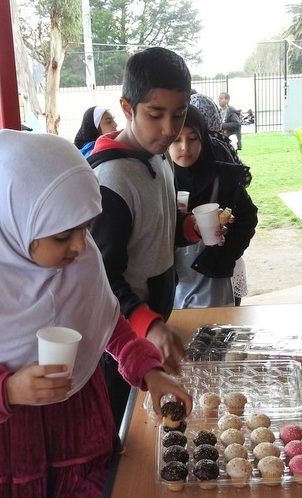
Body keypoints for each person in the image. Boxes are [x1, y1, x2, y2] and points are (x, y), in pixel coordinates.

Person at [0, 130, 192, 498]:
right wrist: (5, 390)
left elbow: (105, 321)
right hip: (12, 452)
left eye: (85, 228)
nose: (81, 246)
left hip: (85, 433)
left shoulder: (80, 255)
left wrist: (150, 371)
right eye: (63, 236)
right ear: (15, 219)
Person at [87, 47, 204, 428]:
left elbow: (158, 229)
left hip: (157, 323)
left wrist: (191, 229)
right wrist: (147, 325)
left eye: (179, 113)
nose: (169, 128)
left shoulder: (159, 156)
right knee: (129, 434)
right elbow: (101, 279)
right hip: (125, 339)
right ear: (127, 106)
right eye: (156, 114)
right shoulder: (111, 180)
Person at [170, 105, 258, 309]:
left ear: (203, 138)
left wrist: (227, 253)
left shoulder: (220, 176)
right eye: (176, 139)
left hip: (213, 281)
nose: (185, 147)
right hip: (172, 285)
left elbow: (248, 216)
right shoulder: (159, 178)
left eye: (193, 138)